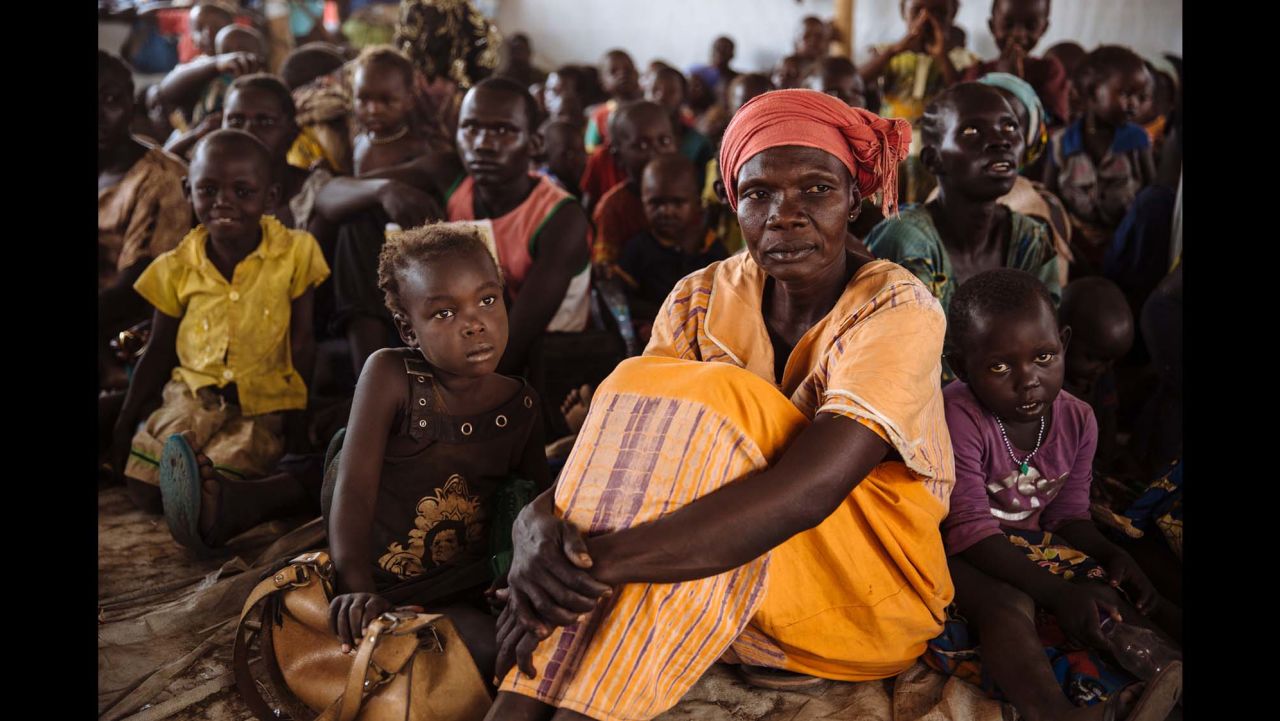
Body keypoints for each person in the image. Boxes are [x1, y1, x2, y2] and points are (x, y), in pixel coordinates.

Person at [485, 89, 956, 721]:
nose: (784, 215)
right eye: (759, 193)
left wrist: (595, 567)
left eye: (816, 190)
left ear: (855, 199)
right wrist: (535, 527)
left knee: (713, 407)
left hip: (861, 591)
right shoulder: (701, 296)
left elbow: (808, 492)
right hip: (724, 566)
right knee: (635, 392)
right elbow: (628, 447)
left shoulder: (897, 311)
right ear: (733, 202)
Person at [929, 268, 1181, 721]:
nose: (1028, 380)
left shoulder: (1079, 419)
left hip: (1029, 546)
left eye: (1043, 356)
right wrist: (1055, 592)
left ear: (1063, 342)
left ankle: (1166, 677)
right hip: (957, 550)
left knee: (1107, 589)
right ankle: (1051, 713)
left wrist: (1107, 552)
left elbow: (1067, 515)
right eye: (999, 366)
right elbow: (966, 526)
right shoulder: (960, 415)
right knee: (1008, 605)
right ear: (961, 366)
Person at [324, 222, 551, 679]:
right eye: (444, 314)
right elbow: (354, 493)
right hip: (384, 585)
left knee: (531, 647)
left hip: (470, 585)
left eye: (487, 300)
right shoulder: (390, 377)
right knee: (486, 652)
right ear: (409, 330)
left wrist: (511, 587)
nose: (474, 324)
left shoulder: (522, 404)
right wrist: (357, 589)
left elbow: (529, 511)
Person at [110, 131, 330, 551]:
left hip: (259, 406)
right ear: (187, 190)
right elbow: (158, 348)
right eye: (208, 190)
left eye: (242, 191)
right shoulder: (176, 265)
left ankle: (204, 497)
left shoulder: (297, 252)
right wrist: (125, 421)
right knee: (142, 486)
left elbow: (303, 342)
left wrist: (298, 424)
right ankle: (185, 486)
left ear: (270, 198)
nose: (223, 202)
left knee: (226, 477)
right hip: (190, 397)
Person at [867, 82, 1060, 380]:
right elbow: (904, 369)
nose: (1000, 142)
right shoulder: (906, 242)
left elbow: (1045, 352)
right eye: (971, 132)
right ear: (933, 159)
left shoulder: (1030, 240)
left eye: (1010, 127)